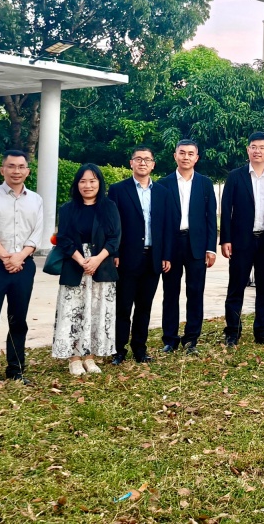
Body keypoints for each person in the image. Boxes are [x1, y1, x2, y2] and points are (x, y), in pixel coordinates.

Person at [0, 150, 45, 386]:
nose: (16, 171)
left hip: (23, 265)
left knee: (18, 319)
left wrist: (19, 257)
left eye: (21, 167)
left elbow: (37, 234)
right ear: (2, 169)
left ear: (28, 171)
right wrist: (6, 257)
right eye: (11, 166)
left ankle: (16, 369)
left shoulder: (36, 200)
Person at [108, 146, 178, 364]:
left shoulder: (163, 193)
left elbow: (168, 226)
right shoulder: (118, 190)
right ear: (131, 163)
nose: (142, 163)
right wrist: (115, 252)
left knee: (144, 306)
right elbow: (112, 225)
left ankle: (140, 348)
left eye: (147, 159)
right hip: (126, 258)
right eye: (138, 159)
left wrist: (166, 255)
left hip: (153, 258)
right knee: (123, 306)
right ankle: (118, 350)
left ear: (153, 165)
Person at [219, 132, 264, 347]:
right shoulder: (235, 176)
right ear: (248, 150)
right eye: (253, 147)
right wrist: (225, 239)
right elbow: (226, 209)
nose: (257, 151)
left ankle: (262, 332)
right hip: (242, 240)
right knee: (236, 286)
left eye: (262, 147)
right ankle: (232, 331)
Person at [52, 164, 121, 375]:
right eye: (83, 181)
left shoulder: (109, 207)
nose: (88, 185)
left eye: (92, 181)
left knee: (97, 312)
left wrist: (96, 260)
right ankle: (74, 358)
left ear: (99, 183)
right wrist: (82, 261)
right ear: (77, 184)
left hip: (102, 265)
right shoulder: (67, 209)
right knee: (73, 312)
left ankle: (90, 357)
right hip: (75, 265)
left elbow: (114, 238)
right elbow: (63, 238)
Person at [157, 139, 217, 355]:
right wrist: (162, 251)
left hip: (197, 245)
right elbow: (159, 221)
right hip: (171, 246)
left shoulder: (205, 183)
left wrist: (211, 248)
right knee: (170, 293)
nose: (186, 157)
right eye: (182, 153)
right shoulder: (163, 184)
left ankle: (191, 339)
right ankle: (170, 339)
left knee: (195, 292)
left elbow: (211, 218)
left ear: (196, 158)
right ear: (175, 156)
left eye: (190, 154)